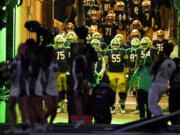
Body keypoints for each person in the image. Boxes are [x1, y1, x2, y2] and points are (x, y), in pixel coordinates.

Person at [148, 42, 176, 117]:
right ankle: (159, 119)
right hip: (165, 85)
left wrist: (156, 61)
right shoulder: (173, 62)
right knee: (154, 104)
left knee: (152, 106)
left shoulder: (160, 61)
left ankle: (161, 120)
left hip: (156, 84)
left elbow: (150, 72)